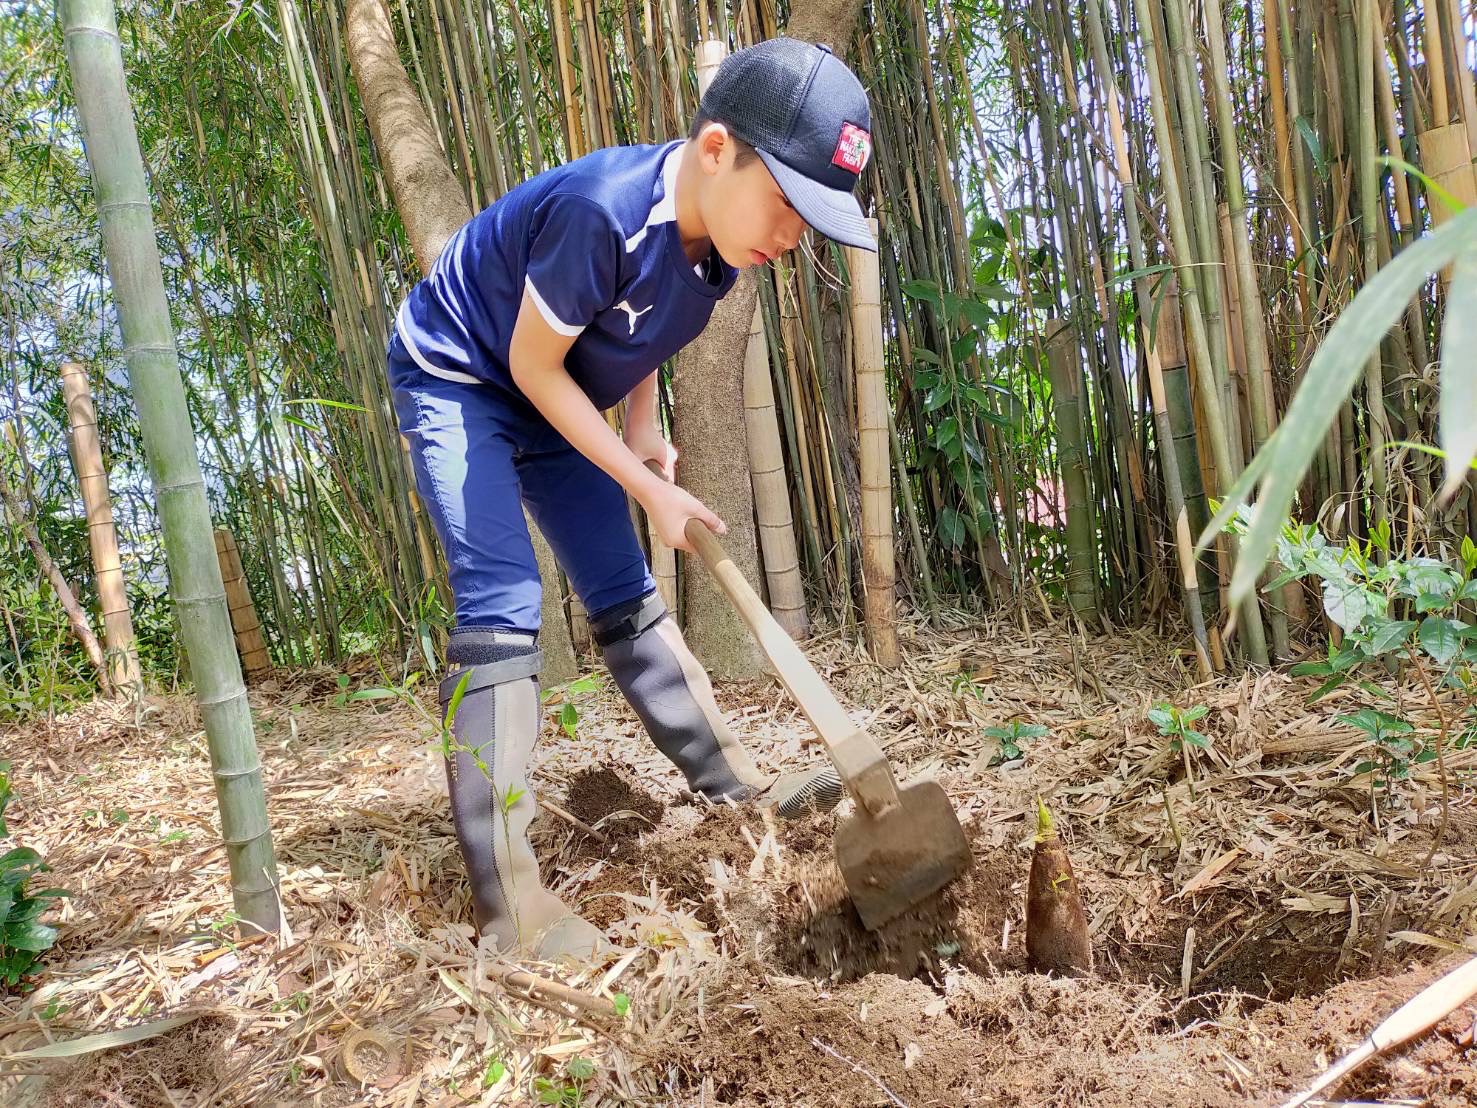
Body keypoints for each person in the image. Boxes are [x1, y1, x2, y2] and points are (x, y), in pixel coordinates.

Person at [386, 37, 875, 959]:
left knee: (622, 591)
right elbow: (530, 366)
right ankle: (513, 911)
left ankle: (739, 797)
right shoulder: (601, 211)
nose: (789, 236)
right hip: (461, 377)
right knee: (503, 601)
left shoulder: (721, 255)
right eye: (787, 204)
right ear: (716, 148)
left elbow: (642, 332)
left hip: (555, 385)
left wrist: (643, 432)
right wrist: (646, 486)